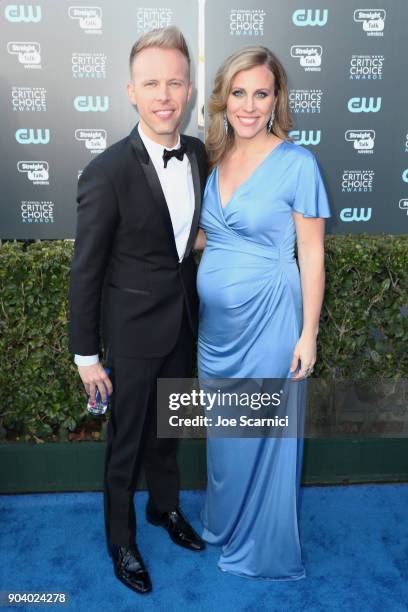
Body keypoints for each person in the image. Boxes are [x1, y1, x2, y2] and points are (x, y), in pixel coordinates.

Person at [68, 26, 207, 595]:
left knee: (169, 430)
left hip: (185, 324)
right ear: (131, 91)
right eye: (152, 83)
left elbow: (186, 237)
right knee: (126, 442)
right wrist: (85, 356)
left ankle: (165, 509)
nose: (165, 94)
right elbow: (86, 272)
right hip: (128, 335)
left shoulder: (198, 153)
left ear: (190, 87)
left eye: (175, 81)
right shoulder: (105, 173)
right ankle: (121, 539)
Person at [195, 45, 331, 579]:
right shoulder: (217, 155)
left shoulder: (297, 163)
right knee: (225, 433)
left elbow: (312, 253)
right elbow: (212, 236)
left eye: (261, 93)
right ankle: (224, 522)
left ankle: (262, 545)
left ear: (277, 100)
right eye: (239, 92)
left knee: (266, 433)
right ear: (224, 99)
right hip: (216, 332)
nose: (249, 105)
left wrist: (308, 334)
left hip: (271, 319)